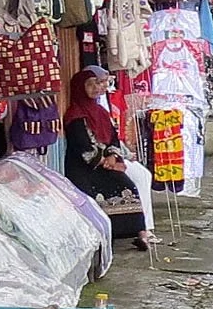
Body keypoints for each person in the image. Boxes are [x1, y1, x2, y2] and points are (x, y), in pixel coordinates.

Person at [62, 65, 156, 248]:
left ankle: (141, 232)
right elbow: (83, 145)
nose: (96, 89)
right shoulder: (75, 115)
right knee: (96, 192)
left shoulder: (101, 112)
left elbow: (113, 138)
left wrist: (113, 156)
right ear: (80, 87)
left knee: (128, 186)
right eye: (91, 85)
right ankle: (106, 235)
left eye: (99, 84)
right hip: (85, 167)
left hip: (106, 164)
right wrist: (103, 160)